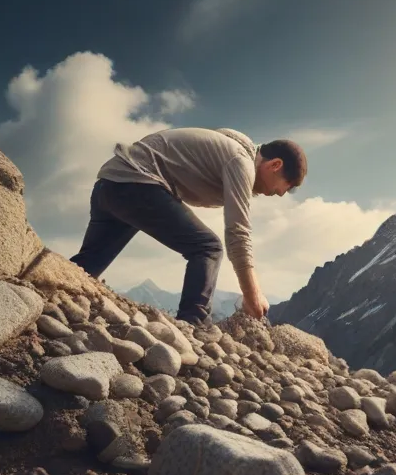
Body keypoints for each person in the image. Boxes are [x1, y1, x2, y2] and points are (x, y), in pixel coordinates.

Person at [70, 127, 307, 326]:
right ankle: (191, 327)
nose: (280, 194)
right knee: (208, 248)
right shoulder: (241, 162)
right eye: (286, 187)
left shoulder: (232, 150)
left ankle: (51, 296)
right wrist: (253, 295)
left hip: (111, 184)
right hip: (137, 184)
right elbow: (238, 234)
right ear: (275, 165)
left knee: (85, 267)